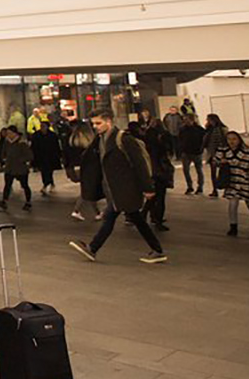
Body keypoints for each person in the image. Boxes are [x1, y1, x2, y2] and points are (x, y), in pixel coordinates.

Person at [68, 109, 166, 265]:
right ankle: (157, 250)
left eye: (98, 123)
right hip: (114, 188)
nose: (95, 127)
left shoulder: (124, 139)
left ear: (109, 121)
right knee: (136, 218)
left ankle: (92, 248)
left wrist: (147, 187)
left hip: (125, 187)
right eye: (93, 124)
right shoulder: (101, 139)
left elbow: (139, 164)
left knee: (111, 218)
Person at [213, 130, 249, 238]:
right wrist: (220, 162)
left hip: (246, 183)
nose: (231, 141)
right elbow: (215, 161)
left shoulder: (248, 152)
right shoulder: (223, 151)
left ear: (239, 140)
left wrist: (248, 175)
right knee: (232, 204)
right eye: (229, 139)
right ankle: (233, 227)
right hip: (232, 182)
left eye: (234, 139)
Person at [133, 119, 175, 232]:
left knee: (153, 196)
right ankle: (156, 219)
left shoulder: (145, 141)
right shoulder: (160, 142)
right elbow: (166, 153)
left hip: (151, 171)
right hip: (159, 171)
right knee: (159, 197)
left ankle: (145, 215)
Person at [0, 126, 32, 211]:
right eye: (7, 133)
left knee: (25, 185)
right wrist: (4, 159)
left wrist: (21, 160)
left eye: (10, 133)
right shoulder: (6, 142)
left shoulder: (21, 143)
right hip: (9, 168)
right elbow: (3, 153)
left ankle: (28, 201)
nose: (8, 135)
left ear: (15, 133)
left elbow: (29, 156)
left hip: (20, 169)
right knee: (7, 185)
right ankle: (4, 201)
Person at [177, 113, 207, 195]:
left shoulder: (199, 129)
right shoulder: (182, 129)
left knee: (199, 170)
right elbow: (180, 139)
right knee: (186, 170)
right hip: (186, 152)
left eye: (187, 119)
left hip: (196, 152)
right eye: (185, 120)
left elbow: (204, 140)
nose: (186, 121)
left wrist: (201, 148)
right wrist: (181, 149)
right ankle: (189, 186)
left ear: (192, 120)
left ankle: (200, 187)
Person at [30, 120, 61, 197]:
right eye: (41, 126)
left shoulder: (52, 135)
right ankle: (48, 183)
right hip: (41, 157)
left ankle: (47, 184)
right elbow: (33, 147)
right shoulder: (36, 135)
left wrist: (58, 156)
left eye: (43, 126)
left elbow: (56, 147)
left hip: (50, 156)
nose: (42, 127)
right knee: (44, 171)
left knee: (49, 171)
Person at [202, 114, 228, 198]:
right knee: (213, 173)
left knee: (224, 172)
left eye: (209, 120)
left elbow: (225, 141)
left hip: (221, 153)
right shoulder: (209, 129)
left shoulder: (222, 129)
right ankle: (215, 189)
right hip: (211, 153)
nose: (208, 121)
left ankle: (225, 189)